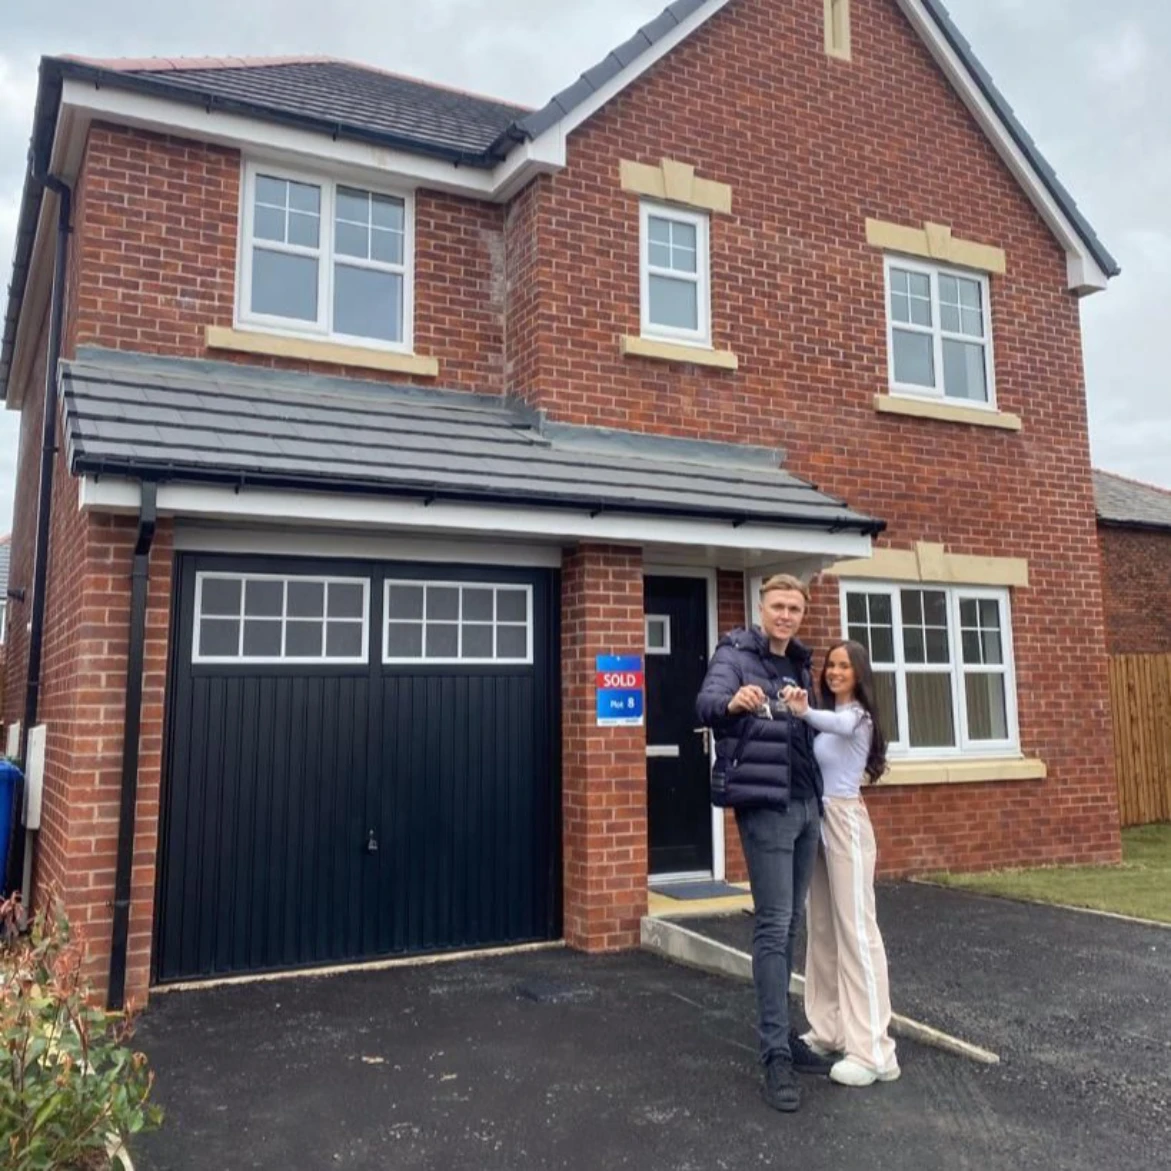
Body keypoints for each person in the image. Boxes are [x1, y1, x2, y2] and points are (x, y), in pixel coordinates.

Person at [695, 573, 834, 1113]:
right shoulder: (735, 653)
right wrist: (734, 702)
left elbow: (807, 730)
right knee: (774, 927)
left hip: (805, 804)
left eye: (795, 607)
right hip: (766, 809)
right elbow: (705, 706)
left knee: (792, 922)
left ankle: (787, 1035)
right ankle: (774, 1052)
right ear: (762, 607)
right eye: (778, 605)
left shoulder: (799, 660)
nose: (786, 615)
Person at [781, 640, 900, 1087]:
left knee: (856, 930)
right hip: (818, 816)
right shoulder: (827, 719)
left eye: (843, 666)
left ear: (859, 673)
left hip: (846, 822)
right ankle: (829, 1030)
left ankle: (874, 1051)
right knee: (824, 928)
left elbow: (831, 720)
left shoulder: (857, 718)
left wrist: (802, 709)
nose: (834, 672)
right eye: (830, 665)